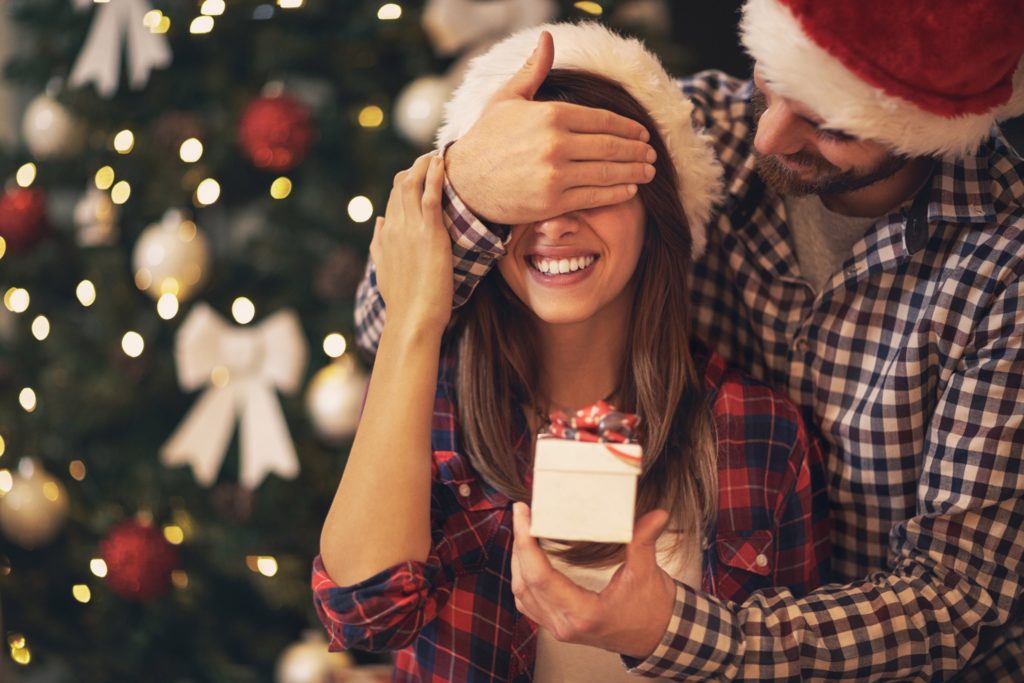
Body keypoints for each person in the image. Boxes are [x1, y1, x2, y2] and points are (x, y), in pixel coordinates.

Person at [351, 2, 1024, 681]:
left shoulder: (1005, 270)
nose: (766, 137)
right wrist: (468, 190)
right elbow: (384, 329)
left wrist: (672, 630)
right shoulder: (695, 130)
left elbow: (958, 600)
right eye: (770, 80)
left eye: (828, 125)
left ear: (929, 132)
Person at [312, 23, 830, 682]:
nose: (554, 222)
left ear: (656, 211)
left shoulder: (760, 434)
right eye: (524, 197)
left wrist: (666, 629)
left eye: (593, 186)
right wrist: (418, 311)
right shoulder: (435, 401)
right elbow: (363, 615)